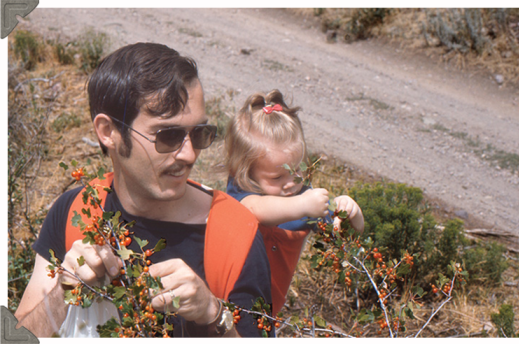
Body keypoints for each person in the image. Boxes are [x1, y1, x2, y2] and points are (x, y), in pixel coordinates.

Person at [14, 43, 273, 338]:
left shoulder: (235, 233)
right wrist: (63, 291)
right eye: (169, 135)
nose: (189, 155)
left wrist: (214, 315)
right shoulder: (77, 211)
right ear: (108, 132)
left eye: (200, 133)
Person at [224, 89, 364, 314]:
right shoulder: (242, 192)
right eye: (277, 177)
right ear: (245, 173)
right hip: (225, 296)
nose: (291, 183)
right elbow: (254, 209)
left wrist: (350, 212)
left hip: (269, 306)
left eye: (296, 169)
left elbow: (346, 232)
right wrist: (302, 206)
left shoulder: (305, 200)